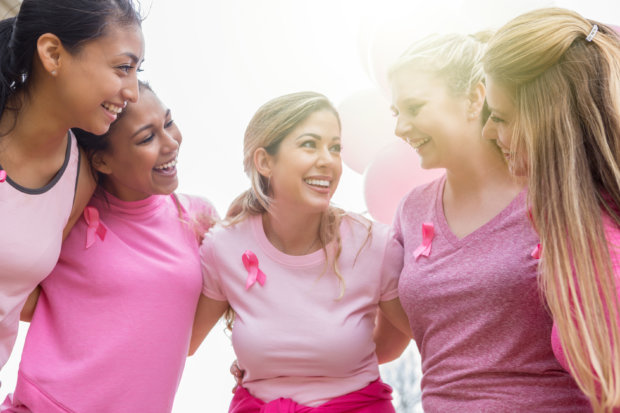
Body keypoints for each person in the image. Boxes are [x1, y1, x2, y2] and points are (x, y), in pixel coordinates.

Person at [375, 32, 590, 411]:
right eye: (396, 114)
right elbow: (386, 339)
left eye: (415, 107)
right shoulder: (411, 212)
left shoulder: (554, 196)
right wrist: (271, 360)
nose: (400, 128)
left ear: (475, 98)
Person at [1, 82, 218, 412]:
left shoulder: (198, 218)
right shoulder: (67, 218)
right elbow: (20, 299)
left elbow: (185, 339)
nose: (171, 142)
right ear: (102, 161)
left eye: (169, 122)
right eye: (147, 138)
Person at [190, 91, 410, 412]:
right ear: (265, 162)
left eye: (334, 147)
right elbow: (180, 343)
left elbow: (424, 338)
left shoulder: (374, 244)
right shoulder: (224, 246)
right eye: (310, 144)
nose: (328, 160)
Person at [483, 8, 620, 411]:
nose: (491, 132)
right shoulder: (576, 233)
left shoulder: (602, 258)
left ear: (545, 123)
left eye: (500, 117)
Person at [0, 0, 144, 372]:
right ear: (52, 54)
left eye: (137, 72)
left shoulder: (80, 178)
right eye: (123, 68)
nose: (133, 92)